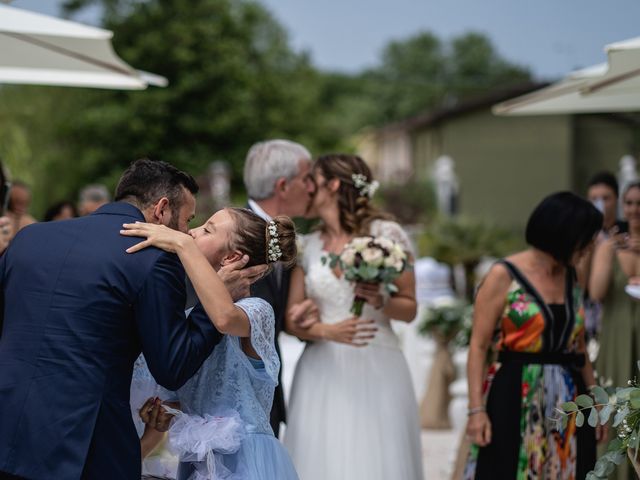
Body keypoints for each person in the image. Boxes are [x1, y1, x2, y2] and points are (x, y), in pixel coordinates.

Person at [0, 159, 265, 480]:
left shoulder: (29, 238)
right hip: (85, 445)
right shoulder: (151, 258)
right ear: (162, 210)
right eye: (187, 220)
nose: (186, 234)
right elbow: (173, 366)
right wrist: (213, 303)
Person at [122, 207, 299, 480]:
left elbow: (224, 319)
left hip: (246, 463)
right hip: (198, 463)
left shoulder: (257, 310)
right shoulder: (193, 318)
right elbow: (207, 395)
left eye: (207, 229)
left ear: (232, 258)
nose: (192, 232)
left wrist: (182, 245)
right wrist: (166, 412)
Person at [283, 154, 423, 480]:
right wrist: (321, 329)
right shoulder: (308, 245)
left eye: (310, 180)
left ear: (332, 185)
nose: (304, 188)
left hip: (377, 361)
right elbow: (292, 319)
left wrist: (382, 300)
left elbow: (411, 307)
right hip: (322, 368)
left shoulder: (385, 233)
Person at [464, 192, 603, 480]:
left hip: (569, 399)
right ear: (565, 234)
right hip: (514, 393)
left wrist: (597, 400)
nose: (590, 246)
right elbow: (477, 346)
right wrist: (476, 410)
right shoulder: (503, 275)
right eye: (586, 237)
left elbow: (578, 346)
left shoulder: (571, 276)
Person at [242, 139, 316, 437]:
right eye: (307, 179)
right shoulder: (233, 233)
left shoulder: (285, 238)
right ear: (283, 186)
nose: (312, 188)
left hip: (268, 393)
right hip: (234, 400)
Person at [590, 182, 640, 480]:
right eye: (630, 203)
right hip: (617, 337)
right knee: (616, 410)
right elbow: (596, 292)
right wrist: (609, 250)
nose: (635, 209)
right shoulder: (608, 246)